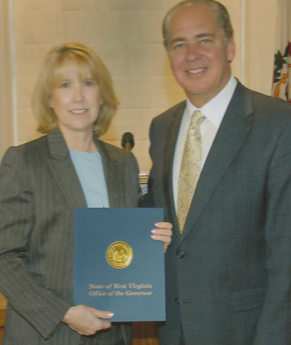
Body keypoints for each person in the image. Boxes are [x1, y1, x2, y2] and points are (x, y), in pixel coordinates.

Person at [141, 0, 291, 345]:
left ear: (229, 47)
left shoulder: (279, 125)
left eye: (205, 40)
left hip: (244, 332)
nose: (191, 54)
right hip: (174, 330)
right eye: (179, 45)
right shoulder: (161, 127)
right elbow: (160, 221)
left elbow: (288, 258)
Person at [0, 42, 172, 345]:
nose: (78, 96)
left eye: (88, 83)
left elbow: (124, 247)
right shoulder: (25, 161)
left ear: (101, 94)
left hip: (112, 334)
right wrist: (62, 312)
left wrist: (154, 243)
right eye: (65, 84)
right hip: (45, 335)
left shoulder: (123, 163)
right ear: (49, 98)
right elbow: (4, 257)